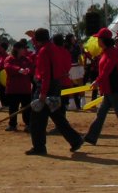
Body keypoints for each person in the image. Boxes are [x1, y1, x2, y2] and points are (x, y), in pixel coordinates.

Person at [25, 27, 84, 156]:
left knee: (36, 120)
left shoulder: (44, 52)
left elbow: (46, 73)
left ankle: (39, 147)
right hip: (55, 86)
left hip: (46, 87)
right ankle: (75, 140)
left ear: (39, 40)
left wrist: (43, 93)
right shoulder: (53, 48)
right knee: (57, 117)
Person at [84, 29, 118, 146]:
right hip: (109, 89)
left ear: (103, 40)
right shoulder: (106, 52)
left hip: (113, 88)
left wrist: (97, 81)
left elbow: (107, 70)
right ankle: (91, 137)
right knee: (103, 113)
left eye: (99, 38)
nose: (97, 40)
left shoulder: (111, 53)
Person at [2, 40, 33, 131]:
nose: (25, 50)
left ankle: (28, 124)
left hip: (25, 89)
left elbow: (32, 68)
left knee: (27, 108)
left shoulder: (27, 59)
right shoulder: (9, 59)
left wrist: (28, 70)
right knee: (13, 108)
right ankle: (12, 124)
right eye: (23, 48)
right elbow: (8, 67)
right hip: (13, 89)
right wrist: (19, 70)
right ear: (18, 49)